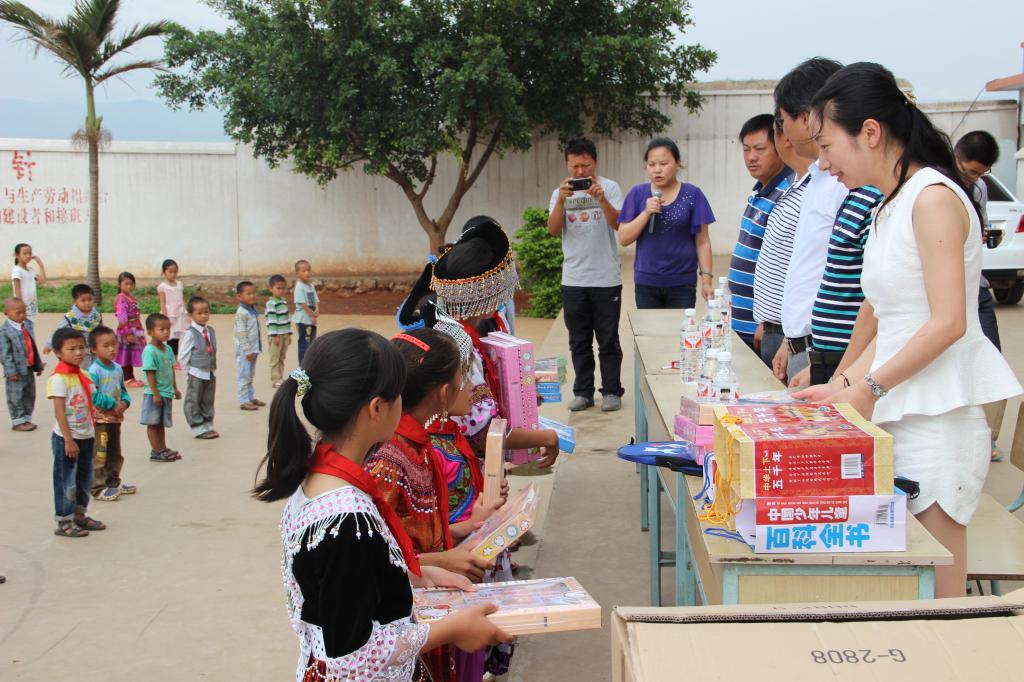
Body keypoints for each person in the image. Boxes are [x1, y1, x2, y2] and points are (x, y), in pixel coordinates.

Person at [795, 62, 1022, 598]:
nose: (823, 163)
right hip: (899, 412)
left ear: (870, 132)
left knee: (938, 599)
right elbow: (889, 317)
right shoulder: (891, 203)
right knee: (902, 592)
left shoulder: (933, 198)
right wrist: (842, 385)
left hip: (938, 421)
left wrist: (868, 389)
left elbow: (947, 323)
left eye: (826, 146)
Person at [253, 328, 511, 682]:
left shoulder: (321, 479)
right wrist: (453, 628)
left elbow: (349, 583)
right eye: (398, 395)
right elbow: (353, 656)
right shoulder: (347, 519)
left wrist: (416, 576)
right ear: (377, 408)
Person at [366, 327, 504, 682]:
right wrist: (444, 560)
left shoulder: (418, 446)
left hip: (430, 612)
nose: (470, 388)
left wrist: (467, 527)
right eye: (463, 380)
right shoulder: (387, 459)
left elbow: (416, 533)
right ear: (443, 393)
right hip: (401, 631)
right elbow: (374, 565)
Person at [428, 216, 561, 465]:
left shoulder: (441, 329)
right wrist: (548, 437)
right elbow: (483, 433)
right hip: (460, 466)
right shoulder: (463, 349)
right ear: (487, 290)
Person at [773, 57, 849, 383]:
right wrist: (790, 340)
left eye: (782, 120)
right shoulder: (816, 177)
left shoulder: (846, 183)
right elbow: (808, 267)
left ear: (806, 118)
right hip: (805, 348)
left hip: (829, 354)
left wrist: (827, 364)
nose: (783, 133)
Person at [547, 136, 626, 412]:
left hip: (606, 279)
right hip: (574, 279)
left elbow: (618, 224)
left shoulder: (609, 188)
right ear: (567, 165)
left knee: (608, 339)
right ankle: (583, 392)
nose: (580, 172)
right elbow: (553, 230)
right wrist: (561, 201)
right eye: (575, 166)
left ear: (595, 163)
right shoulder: (559, 194)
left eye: (586, 165)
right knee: (578, 341)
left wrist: (601, 199)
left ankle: (612, 391)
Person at [788, 183, 885, 389]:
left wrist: (840, 377)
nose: (824, 167)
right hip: (830, 359)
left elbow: (876, 301)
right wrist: (817, 365)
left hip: (851, 363)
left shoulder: (876, 201)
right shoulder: (854, 195)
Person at [954, 130, 1006, 459]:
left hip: (977, 288)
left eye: (981, 173)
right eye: (970, 171)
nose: (974, 178)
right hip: (949, 291)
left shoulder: (979, 188)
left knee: (990, 361)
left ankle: (988, 439)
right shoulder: (933, 186)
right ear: (955, 156)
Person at [618, 137, 716, 308]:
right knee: (649, 327)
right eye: (651, 164)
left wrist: (706, 281)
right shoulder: (637, 193)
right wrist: (646, 213)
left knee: (681, 326)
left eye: (664, 163)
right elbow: (624, 238)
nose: (657, 170)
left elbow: (702, 242)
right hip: (646, 283)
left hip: (682, 284)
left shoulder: (692, 194)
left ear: (678, 163)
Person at [728, 115, 794, 350]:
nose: (751, 157)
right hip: (742, 322)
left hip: (763, 328)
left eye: (759, 149)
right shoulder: (759, 191)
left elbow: (784, 265)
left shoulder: (787, 193)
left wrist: (768, 321)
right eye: (746, 150)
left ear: (780, 146)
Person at [752, 124, 813, 369]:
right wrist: (766, 321)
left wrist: (787, 337)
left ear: (785, 137)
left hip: (794, 335)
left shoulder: (818, 190)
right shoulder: (794, 186)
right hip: (777, 330)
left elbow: (811, 269)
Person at [47, 327, 117, 537]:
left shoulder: (84, 375)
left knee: (84, 479)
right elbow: (60, 411)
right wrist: (68, 440)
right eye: (71, 349)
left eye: (81, 347)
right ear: (58, 352)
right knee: (66, 481)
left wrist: (111, 408)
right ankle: (64, 521)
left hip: (86, 435)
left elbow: (92, 401)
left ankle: (79, 514)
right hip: (67, 438)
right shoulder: (59, 379)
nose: (78, 353)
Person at [87, 325, 133, 501]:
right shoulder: (94, 371)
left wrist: (125, 402)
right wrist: (113, 403)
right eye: (105, 346)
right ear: (94, 349)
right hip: (100, 421)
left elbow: (123, 390)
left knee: (115, 452)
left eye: (114, 344)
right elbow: (93, 395)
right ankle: (98, 487)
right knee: (100, 453)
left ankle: (113, 482)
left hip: (115, 419)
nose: (112, 349)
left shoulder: (118, 369)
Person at [141, 313, 181, 463]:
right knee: (152, 423)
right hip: (154, 394)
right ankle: (156, 451)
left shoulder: (168, 349)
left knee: (160, 424)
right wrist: (155, 394)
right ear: (150, 332)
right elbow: (150, 374)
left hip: (166, 392)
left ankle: (162, 448)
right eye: (161, 329)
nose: (166, 332)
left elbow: (171, 370)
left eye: (168, 329)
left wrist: (175, 388)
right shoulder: (150, 351)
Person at [179, 296, 219, 439]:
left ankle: (208, 425)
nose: (204, 316)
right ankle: (197, 427)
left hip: (209, 372)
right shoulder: (190, 333)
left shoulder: (210, 331)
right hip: (196, 372)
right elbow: (183, 355)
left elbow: (212, 349)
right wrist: (187, 372)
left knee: (208, 399)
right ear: (191, 315)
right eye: (199, 313)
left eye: (206, 312)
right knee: (193, 400)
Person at [1, 297, 44, 431]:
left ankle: (26, 419)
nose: (22, 315)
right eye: (17, 313)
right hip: (16, 371)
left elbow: (32, 346)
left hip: (28, 368)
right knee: (16, 396)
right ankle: (18, 421)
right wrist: (10, 371)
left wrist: (38, 365)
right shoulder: (4, 331)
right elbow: (5, 354)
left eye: (24, 312)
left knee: (29, 394)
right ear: (6, 313)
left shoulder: (27, 325)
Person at [44, 284, 103, 369]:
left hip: (95, 350)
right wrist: (49, 344)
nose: (87, 303)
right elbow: (59, 331)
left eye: (90, 299)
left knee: (95, 371)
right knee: (81, 371)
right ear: (75, 301)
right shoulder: (70, 317)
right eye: (83, 300)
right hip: (80, 351)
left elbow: (102, 330)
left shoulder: (96, 314)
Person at [233, 281, 264, 411]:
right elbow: (241, 333)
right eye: (248, 294)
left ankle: (250, 397)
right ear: (239, 296)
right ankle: (243, 400)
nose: (252, 296)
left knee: (250, 375)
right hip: (245, 352)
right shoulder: (242, 313)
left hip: (253, 349)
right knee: (244, 375)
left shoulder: (251, 309)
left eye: (253, 293)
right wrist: (247, 350)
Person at [114, 272, 146, 388]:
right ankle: (127, 379)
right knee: (125, 355)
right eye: (126, 284)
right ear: (119, 285)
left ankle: (130, 377)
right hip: (127, 331)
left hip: (135, 329)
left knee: (129, 354)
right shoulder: (121, 299)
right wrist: (127, 333)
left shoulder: (130, 297)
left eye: (131, 284)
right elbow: (122, 317)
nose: (129, 286)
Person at [157, 258, 189, 362]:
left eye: (175, 272)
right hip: (170, 315)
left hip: (180, 314)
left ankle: (175, 358)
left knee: (177, 337)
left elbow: (182, 299)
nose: (173, 274)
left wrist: (186, 312)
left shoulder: (179, 284)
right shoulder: (162, 287)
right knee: (170, 338)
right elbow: (162, 303)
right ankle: (171, 359)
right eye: (170, 272)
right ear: (164, 272)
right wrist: (165, 318)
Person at [265, 274, 292, 388]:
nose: (281, 291)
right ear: (271, 289)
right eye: (278, 288)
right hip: (276, 336)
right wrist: (274, 335)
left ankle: (280, 377)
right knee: (275, 357)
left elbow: (287, 319)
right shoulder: (271, 304)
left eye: (283, 288)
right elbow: (271, 321)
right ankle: (275, 379)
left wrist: (289, 334)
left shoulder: (284, 302)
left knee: (282, 357)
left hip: (284, 334)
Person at [11, 243, 46, 329]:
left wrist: (41, 265)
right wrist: (21, 308)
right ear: (17, 255)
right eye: (25, 253)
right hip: (23, 308)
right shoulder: (17, 270)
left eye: (30, 253)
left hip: (31, 306)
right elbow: (17, 290)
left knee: (29, 331)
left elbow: (42, 281)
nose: (28, 256)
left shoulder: (31, 270)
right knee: (24, 332)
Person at [292, 259, 319, 363]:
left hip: (311, 320)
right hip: (303, 320)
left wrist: (317, 310)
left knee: (312, 342)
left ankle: (310, 363)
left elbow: (314, 300)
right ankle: (302, 365)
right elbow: (303, 304)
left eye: (308, 270)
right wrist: (311, 315)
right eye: (303, 271)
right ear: (297, 274)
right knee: (304, 342)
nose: (307, 273)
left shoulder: (311, 286)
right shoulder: (299, 287)